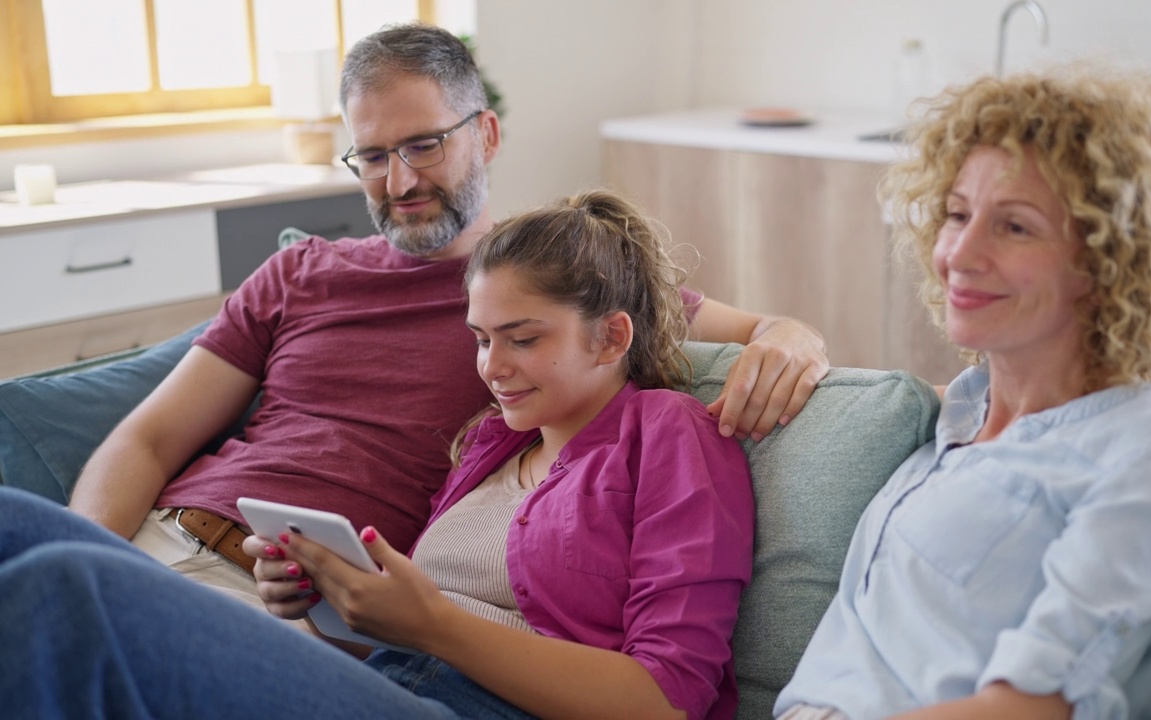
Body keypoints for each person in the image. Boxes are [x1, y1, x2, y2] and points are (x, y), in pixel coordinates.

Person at [65, 23, 826, 608]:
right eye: (371, 156)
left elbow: (762, 328)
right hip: (156, 547)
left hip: (286, 607)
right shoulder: (299, 272)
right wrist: (93, 565)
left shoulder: (552, 291)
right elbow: (149, 436)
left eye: (423, 145)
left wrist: (794, 335)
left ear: (485, 134)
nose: (398, 181)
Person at [0, 189, 754, 720]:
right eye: (482, 340)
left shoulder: (670, 435)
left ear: (612, 336)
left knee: (70, 587)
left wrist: (431, 625)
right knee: (16, 524)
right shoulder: (487, 446)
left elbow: (666, 698)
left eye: (523, 339)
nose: (492, 367)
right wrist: (327, 602)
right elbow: (401, 633)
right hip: (383, 683)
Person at [774, 64, 1151, 719]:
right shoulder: (960, 415)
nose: (959, 254)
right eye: (957, 214)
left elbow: (1030, 709)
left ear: (1111, 260)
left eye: (1015, 227)